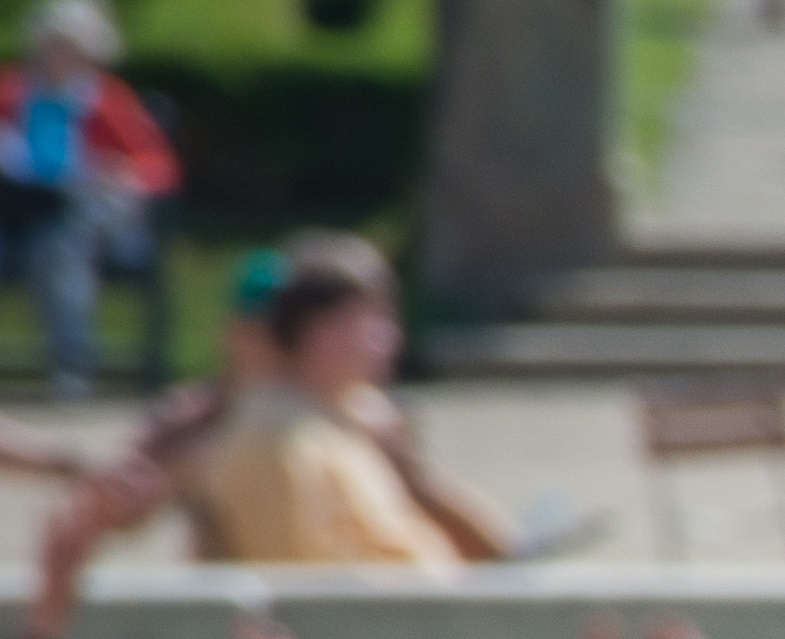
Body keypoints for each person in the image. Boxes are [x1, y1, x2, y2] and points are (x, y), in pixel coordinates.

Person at [151, 235, 517, 565]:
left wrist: (414, 477)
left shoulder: (339, 417)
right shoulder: (278, 435)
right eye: (368, 319)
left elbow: (503, 546)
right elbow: (301, 581)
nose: (388, 338)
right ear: (318, 331)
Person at [8, 0, 179, 393]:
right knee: (51, 247)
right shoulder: (11, 93)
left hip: (92, 219)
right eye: (53, 44)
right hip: (18, 212)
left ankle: (72, 367)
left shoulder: (108, 101)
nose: (59, 55)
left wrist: (118, 172)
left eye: (71, 47)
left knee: (61, 251)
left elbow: (159, 168)